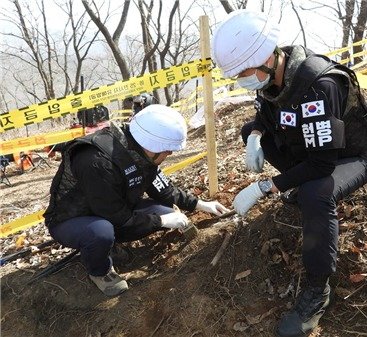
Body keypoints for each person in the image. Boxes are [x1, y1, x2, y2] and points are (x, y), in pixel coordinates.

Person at [212, 10, 367, 337]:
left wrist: (267, 186)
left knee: (315, 192)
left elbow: (321, 165)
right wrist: (253, 135)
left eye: (242, 73)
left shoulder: (319, 84)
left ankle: (318, 291)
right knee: (254, 132)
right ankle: (295, 183)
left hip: (357, 154)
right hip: (316, 149)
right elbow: (265, 118)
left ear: (265, 58)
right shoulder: (272, 81)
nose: (241, 80)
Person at [44, 104, 229, 297]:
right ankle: (100, 271)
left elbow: (164, 190)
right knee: (101, 232)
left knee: (165, 210)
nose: (170, 154)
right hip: (73, 220)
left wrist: (201, 204)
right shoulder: (96, 160)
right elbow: (116, 217)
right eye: (167, 150)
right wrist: (161, 222)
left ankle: (109, 244)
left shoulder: (140, 151)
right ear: (153, 145)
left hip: (113, 209)